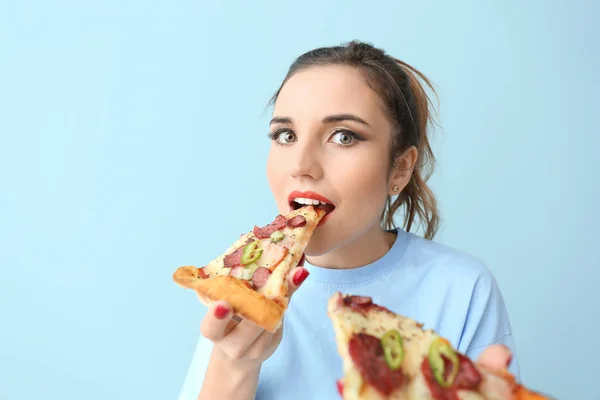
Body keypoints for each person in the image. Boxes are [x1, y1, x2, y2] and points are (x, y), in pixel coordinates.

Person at [177, 41, 520, 400]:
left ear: (400, 167)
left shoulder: (461, 288)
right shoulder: (240, 288)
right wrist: (235, 364)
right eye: (286, 135)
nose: (301, 166)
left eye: (343, 136)